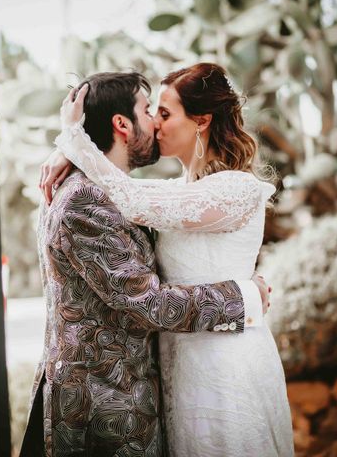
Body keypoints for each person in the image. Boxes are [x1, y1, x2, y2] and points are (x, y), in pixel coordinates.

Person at [39, 64, 294, 456]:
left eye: (164, 113)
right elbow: (148, 289)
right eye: (151, 112)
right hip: (160, 376)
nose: (156, 124)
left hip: (224, 364)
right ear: (122, 125)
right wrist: (70, 146)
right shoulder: (155, 194)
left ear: (202, 121)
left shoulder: (234, 189)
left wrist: (75, 144)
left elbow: (129, 198)